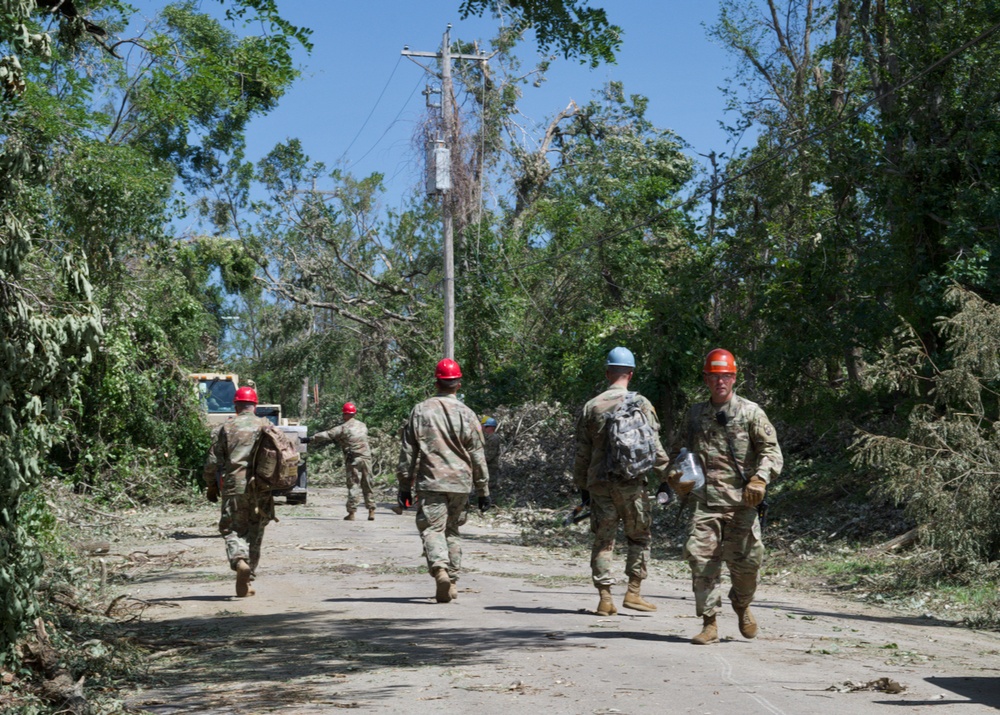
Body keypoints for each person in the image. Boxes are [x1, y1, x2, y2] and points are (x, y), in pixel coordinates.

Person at [667, 348, 783, 645]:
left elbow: (771, 452)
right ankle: (709, 623)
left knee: (748, 566)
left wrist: (760, 478)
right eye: (715, 376)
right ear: (706, 379)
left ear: (734, 378)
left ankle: (742, 605)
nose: (721, 381)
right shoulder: (694, 415)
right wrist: (675, 477)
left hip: (743, 503)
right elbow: (678, 452)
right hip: (704, 502)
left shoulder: (751, 413)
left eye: (727, 376)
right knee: (702, 563)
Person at [573, 346, 669, 616]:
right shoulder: (642, 403)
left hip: (600, 485)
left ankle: (605, 598)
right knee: (639, 537)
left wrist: (583, 487)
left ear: (607, 373)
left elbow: (582, 452)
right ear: (631, 373)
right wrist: (668, 478)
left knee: (604, 540)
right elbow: (654, 447)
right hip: (632, 483)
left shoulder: (592, 406)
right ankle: (634, 593)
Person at [397, 358, 491, 603]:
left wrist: (404, 486)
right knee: (452, 530)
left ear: (436, 382)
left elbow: (408, 452)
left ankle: (440, 570)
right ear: (458, 384)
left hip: (431, 482)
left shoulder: (420, 410)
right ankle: (453, 581)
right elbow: (478, 455)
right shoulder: (468, 414)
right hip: (460, 483)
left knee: (432, 529)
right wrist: (483, 490)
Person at [202, 385, 273, 597]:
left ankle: (238, 560)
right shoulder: (265, 425)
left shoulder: (227, 428)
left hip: (234, 485)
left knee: (231, 529)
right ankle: (249, 578)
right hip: (261, 487)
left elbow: (213, 461)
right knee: (255, 531)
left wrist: (211, 485)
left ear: (236, 405)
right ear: (255, 405)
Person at [309, 402, 375, 521]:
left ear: (344, 414)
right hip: (366, 458)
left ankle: (352, 513)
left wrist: (310, 439)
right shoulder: (363, 425)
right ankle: (371, 511)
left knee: (354, 485)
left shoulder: (343, 428)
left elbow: (327, 434)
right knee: (368, 484)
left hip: (353, 459)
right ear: (354, 413)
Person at [480, 416, 501, 495]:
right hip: (486, 466)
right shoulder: (486, 437)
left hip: (490, 467)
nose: (481, 428)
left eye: (483, 426)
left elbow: (489, 455)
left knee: (490, 486)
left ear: (488, 427)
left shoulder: (493, 438)